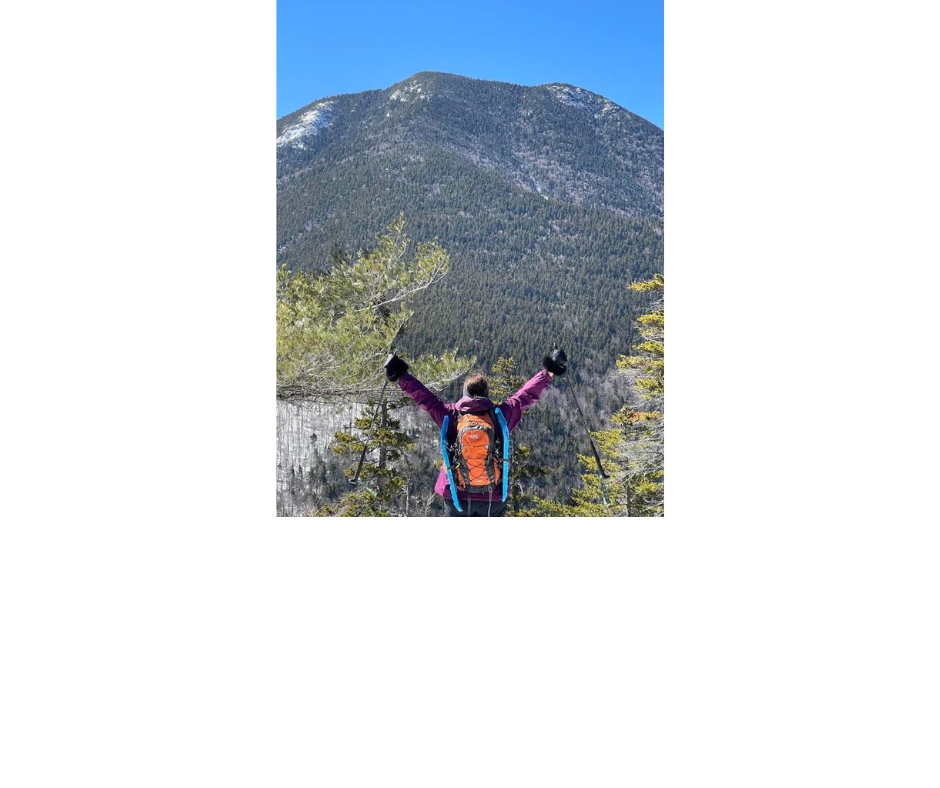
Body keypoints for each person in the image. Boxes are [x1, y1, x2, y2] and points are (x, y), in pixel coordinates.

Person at [383, 347, 568, 516]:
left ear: (464, 394)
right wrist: (549, 370)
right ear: (486, 393)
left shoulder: (450, 414)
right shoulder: (500, 415)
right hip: (493, 496)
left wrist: (399, 374)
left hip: (456, 496)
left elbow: (424, 397)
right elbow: (526, 395)